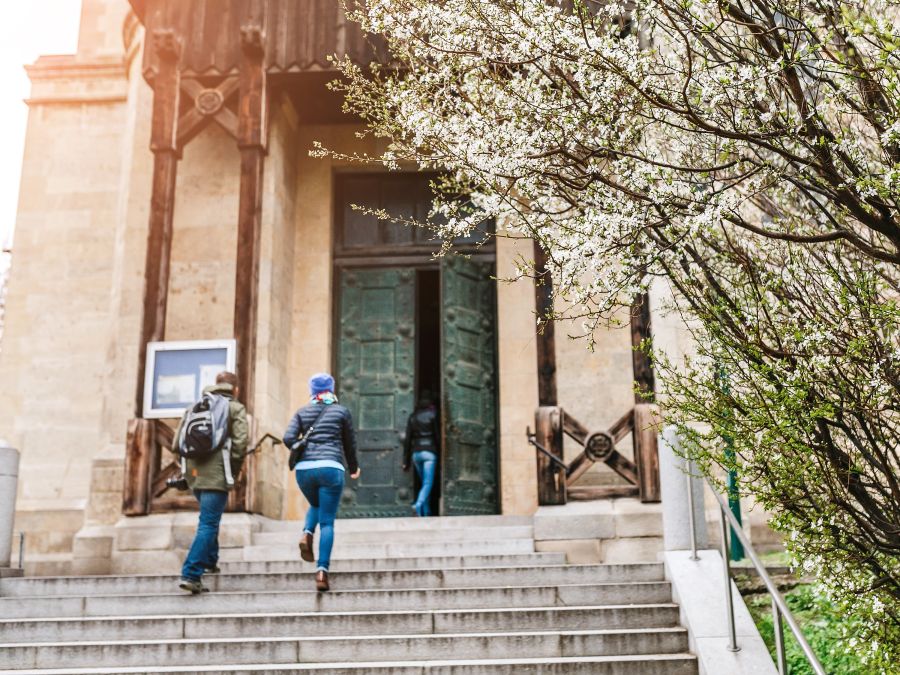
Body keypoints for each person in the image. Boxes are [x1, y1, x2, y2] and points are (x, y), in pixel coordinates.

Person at [173, 371, 248, 594]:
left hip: (195, 475)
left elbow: (177, 443)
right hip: (217, 474)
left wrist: (189, 471)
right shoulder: (235, 408)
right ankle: (191, 573)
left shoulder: (195, 406)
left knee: (208, 519)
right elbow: (241, 442)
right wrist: (232, 471)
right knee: (208, 523)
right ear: (235, 389)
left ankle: (210, 561)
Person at [283, 373, 360, 591]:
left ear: (312, 390)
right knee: (327, 522)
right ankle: (322, 572)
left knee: (316, 504)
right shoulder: (341, 412)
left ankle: (307, 532)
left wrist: (304, 447)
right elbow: (349, 444)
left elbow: (288, 438)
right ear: (331, 389)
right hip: (330, 467)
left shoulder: (302, 411)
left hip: (305, 471)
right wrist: (353, 469)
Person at [403, 390, 440, 517]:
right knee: (428, 483)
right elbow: (437, 435)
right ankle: (417, 505)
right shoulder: (433, 415)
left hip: (416, 454)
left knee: (424, 483)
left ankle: (426, 512)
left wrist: (405, 461)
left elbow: (407, 440)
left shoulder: (412, 417)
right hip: (430, 453)